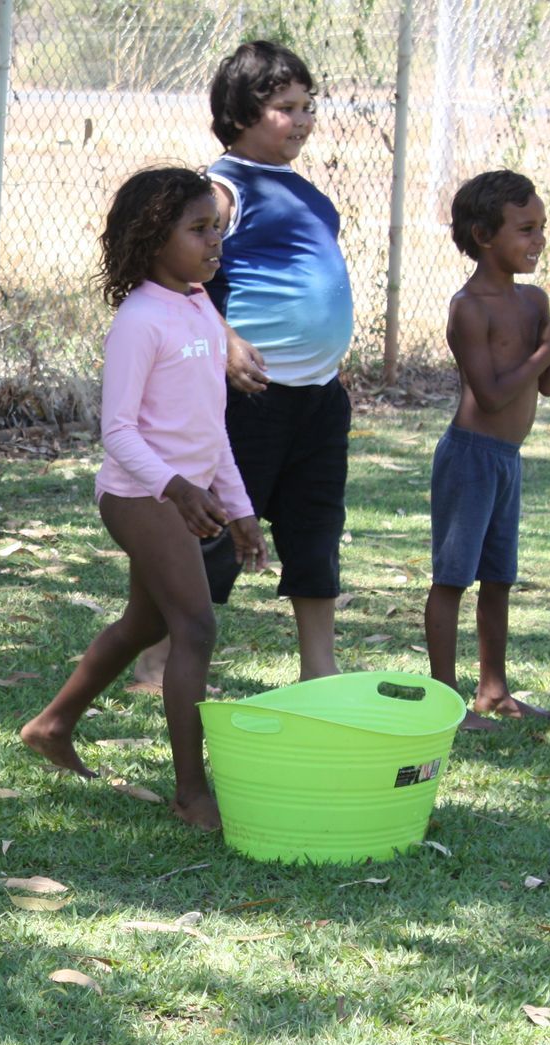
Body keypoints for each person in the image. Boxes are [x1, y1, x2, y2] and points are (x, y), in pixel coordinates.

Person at [20, 168, 268, 831]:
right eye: (198, 229)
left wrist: (239, 507)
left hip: (180, 494)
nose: (215, 242)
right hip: (138, 493)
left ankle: (51, 724)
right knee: (196, 626)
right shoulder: (139, 320)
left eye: (219, 228)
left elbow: (212, 429)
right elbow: (118, 432)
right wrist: (177, 488)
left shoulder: (198, 310)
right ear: (153, 236)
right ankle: (192, 794)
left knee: (148, 624)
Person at [133, 41, 350, 692]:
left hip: (317, 397)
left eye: (308, 106)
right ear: (241, 113)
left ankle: (320, 670)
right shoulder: (221, 190)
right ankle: (158, 660)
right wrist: (223, 339)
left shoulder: (306, 192)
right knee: (213, 526)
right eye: (287, 107)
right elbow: (169, 273)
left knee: (316, 527)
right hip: (250, 398)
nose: (304, 119)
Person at [425, 170, 550, 730]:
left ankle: (493, 691)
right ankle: (444, 701)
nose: (539, 241)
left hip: (507, 461)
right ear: (484, 235)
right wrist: (546, 346)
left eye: (542, 228)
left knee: (498, 576)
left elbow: (545, 384)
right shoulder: (469, 307)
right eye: (526, 230)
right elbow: (494, 392)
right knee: (452, 578)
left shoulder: (534, 301)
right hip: (470, 457)